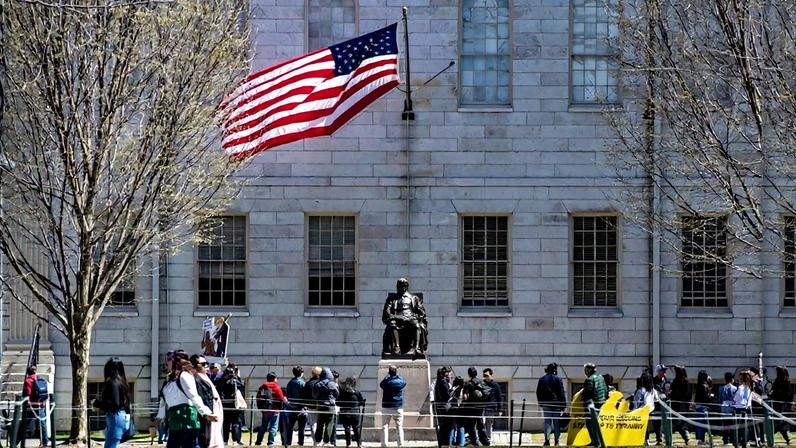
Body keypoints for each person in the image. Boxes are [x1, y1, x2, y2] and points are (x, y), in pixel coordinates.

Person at [156, 351, 218, 448]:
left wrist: (206, 413)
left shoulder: (185, 375)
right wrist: (160, 417)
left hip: (187, 421)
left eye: (169, 360)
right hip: (174, 422)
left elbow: (194, 396)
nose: (166, 363)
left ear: (176, 362)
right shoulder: (169, 380)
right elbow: (163, 400)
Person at [92, 358, 131, 448]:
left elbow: (114, 404)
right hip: (122, 417)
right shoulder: (123, 383)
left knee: (110, 445)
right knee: (113, 444)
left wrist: (97, 403)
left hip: (115, 417)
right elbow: (127, 403)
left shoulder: (112, 383)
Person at [192, 355, 224, 448]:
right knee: (207, 440)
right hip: (207, 413)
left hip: (213, 410)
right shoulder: (197, 378)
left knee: (214, 437)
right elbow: (202, 398)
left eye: (207, 364)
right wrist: (208, 413)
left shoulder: (205, 377)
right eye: (203, 364)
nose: (207, 366)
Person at [536, 363, 567, 446]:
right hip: (556, 404)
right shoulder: (558, 379)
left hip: (546, 404)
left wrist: (541, 403)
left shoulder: (542, 379)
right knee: (556, 423)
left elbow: (538, 392)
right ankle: (556, 441)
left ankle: (547, 440)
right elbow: (561, 393)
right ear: (554, 370)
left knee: (547, 422)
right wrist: (564, 405)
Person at [215, 365, 245, 445]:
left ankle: (225, 440)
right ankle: (236, 440)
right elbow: (242, 385)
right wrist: (237, 376)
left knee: (226, 424)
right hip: (234, 404)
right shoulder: (236, 381)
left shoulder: (221, 381)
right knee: (236, 423)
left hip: (224, 404)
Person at [256, 372, 288, 446]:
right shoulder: (276, 387)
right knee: (273, 427)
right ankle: (270, 442)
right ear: (274, 379)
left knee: (263, 426)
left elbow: (258, 397)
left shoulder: (262, 387)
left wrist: (261, 408)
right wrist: (285, 400)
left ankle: (258, 442)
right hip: (275, 410)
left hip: (265, 410)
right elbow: (281, 398)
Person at [21, 365, 49, 448]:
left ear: (28, 372)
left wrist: (28, 402)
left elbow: (28, 394)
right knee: (43, 423)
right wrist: (43, 401)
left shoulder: (28, 381)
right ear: (35, 371)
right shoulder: (40, 379)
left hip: (33, 405)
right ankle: (44, 442)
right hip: (41, 403)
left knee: (25, 422)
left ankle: (16, 440)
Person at [379, 365, 406, 447]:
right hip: (398, 406)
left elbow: (381, 384)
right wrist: (398, 375)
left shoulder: (386, 382)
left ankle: (384, 444)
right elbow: (404, 382)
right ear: (396, 372)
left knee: (385, 425)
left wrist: (387, 376)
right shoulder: (400, 381)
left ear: (389, 372)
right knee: (399, 426)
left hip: (387, 405)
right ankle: (400, 444)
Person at [581, 363, 607, 447]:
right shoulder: (601, 377)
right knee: (596, 423)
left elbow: (587, 394)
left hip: (592, 404)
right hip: (600, 403)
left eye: (585, 370)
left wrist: (584, 401)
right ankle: (597, 441)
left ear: (589, 370)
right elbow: (605, 389)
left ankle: (595, 441)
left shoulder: (589, 380)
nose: (584, 372)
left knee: (589, 423)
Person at [313, 368, 340, 446]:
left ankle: (317, 440)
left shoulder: (317, 384)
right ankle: (326, 441)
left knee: (320, 423)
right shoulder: (332, 384)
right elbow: (337, 393)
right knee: (329, 424)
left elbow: (314, 395)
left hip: (320, 406)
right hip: (330, 406)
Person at [462, 367, 488, 446]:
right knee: (480, 424)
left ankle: (474, 440)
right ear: (476, 373)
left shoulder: (468, 384)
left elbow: (465, 397)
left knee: (471, 425)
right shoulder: (482, 382)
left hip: (471, 408)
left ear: (469, 374)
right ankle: (484, 441)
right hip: (480, 407)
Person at [338, 377, 365, 448]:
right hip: (354, 412)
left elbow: (338, 402)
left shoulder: (342, 393)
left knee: (347, 428)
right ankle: (359, 444)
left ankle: (348, 444)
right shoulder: (357, 393)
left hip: (345, 412)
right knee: (356, 428)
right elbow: (361, 402)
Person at [285, 366, 308, 446]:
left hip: (291, 407)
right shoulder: (302, 383)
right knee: (302, 428)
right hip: (301, 408)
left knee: (290, 427)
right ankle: (301, 443)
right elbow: (305, 395)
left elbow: (287, 395)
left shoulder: (290, 383)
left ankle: (288, 443)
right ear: (301, 373)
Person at [668, 365, 691, 444]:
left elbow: (687, 394)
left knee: (679, 423)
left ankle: (685, 435)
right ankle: (685, 436)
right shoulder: (676, 381)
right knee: (677, 422)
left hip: (682, 405)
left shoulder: (684, 381)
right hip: (677, 405)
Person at [769, 366, 792, 444]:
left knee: (780, 423)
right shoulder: (778, 380)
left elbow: (788, 394)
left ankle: (772, 435)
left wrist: (775, 393)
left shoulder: (785, 381)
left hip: (782, 405)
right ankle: (786, 438)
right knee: (780, 422)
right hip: (777, 404)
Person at [481, 368, 503, 445]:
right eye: (484, 375)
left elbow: (499, 397)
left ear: (491, 375)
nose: (485, 377)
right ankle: (482, 438)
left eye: (487, 375)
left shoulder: (495, 385)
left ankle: (488, 439)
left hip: (491, 407)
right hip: (482, 407)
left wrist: (500, 409)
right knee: (481, 423)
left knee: (489, 424)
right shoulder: (481, 384)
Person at [433, 367, 453, 446]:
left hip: (440, 406)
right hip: (444, 407)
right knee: (445, 427)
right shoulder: (443, 382)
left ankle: (442, 443)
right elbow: (447, 395)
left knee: (442, 427)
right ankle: (445, 443)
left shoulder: (438, 381)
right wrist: (452, 391)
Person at [733, 370, 754, 447]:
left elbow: (737, 398)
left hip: (739, 408)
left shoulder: (741, 387)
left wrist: (734, 398)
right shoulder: (749, 387)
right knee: (745, 427)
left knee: (738, 427)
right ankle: (745, 441)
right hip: (747, 408)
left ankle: (738, 442)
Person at [651, 364, 670, 445]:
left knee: (666, 421)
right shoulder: (653, 381)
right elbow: (655, 391)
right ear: (658, 371)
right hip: (657, 404)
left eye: (665, 370)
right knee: (657, 422)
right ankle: (659, 439)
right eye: (663, 370)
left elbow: (669, 389)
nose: (665, 372)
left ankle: (667, 439)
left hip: (665, 403)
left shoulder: (666, 380)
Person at [717, 372, 737, 445]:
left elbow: (720, 400)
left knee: (725, 424)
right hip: (731, 407)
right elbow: (735, 399)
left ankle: (725, 439)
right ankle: (731, 439)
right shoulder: (735, 388)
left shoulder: (721, 388)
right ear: (732, 379)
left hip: (723, 407)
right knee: (731, 424)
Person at [694, 370, 713, 445]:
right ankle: (702, 440)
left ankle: (700, 439)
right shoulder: (703, 386)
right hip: (703, 406)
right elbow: (706, 396)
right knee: (704, 423)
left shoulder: (699, 384)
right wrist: (711, 396)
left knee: (699, 423)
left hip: (698, 406)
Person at [304, 367, 323, 442]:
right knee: (321, 424)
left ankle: (315, 441)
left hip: (311, 406)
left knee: (313, 424)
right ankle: (320, 440)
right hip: (321, 406)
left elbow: (305, 395)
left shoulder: (308, 383)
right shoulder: (322, 383)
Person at [448, 376, 467, 447]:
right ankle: (461, 444)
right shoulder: (462, 389)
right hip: (460, 410)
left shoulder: (452, 388)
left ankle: (450, 443)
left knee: (452, 427)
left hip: (452, 410)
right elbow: (464, 398)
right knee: (461, 427)